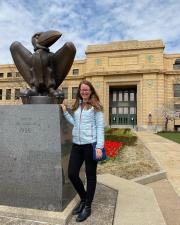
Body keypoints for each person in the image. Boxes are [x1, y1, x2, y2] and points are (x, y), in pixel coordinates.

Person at [60, 80, 104, 222]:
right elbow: (75, 123)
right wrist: (66, 113)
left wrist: (99, 147)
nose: (84, 92)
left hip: (90, 145)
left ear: (91, 91)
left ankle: (88, 207)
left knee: (91, 177)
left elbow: (100, 128)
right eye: (82, 90)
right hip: (77, 145)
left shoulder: (96, 107)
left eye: (86, 90)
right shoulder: (77, 106)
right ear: (79, 91)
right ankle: (84, 199)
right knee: (72, 174)